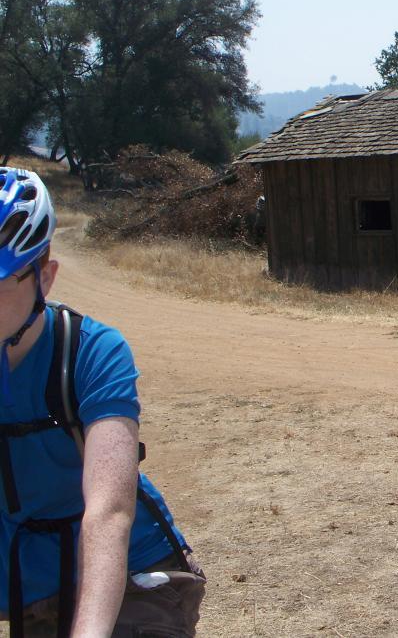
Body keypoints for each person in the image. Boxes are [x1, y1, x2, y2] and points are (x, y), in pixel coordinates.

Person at [0, 167, 204, 637]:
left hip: (132, 577)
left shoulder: (90, 351)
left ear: (45, 278)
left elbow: (109, 511)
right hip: (29, 588)